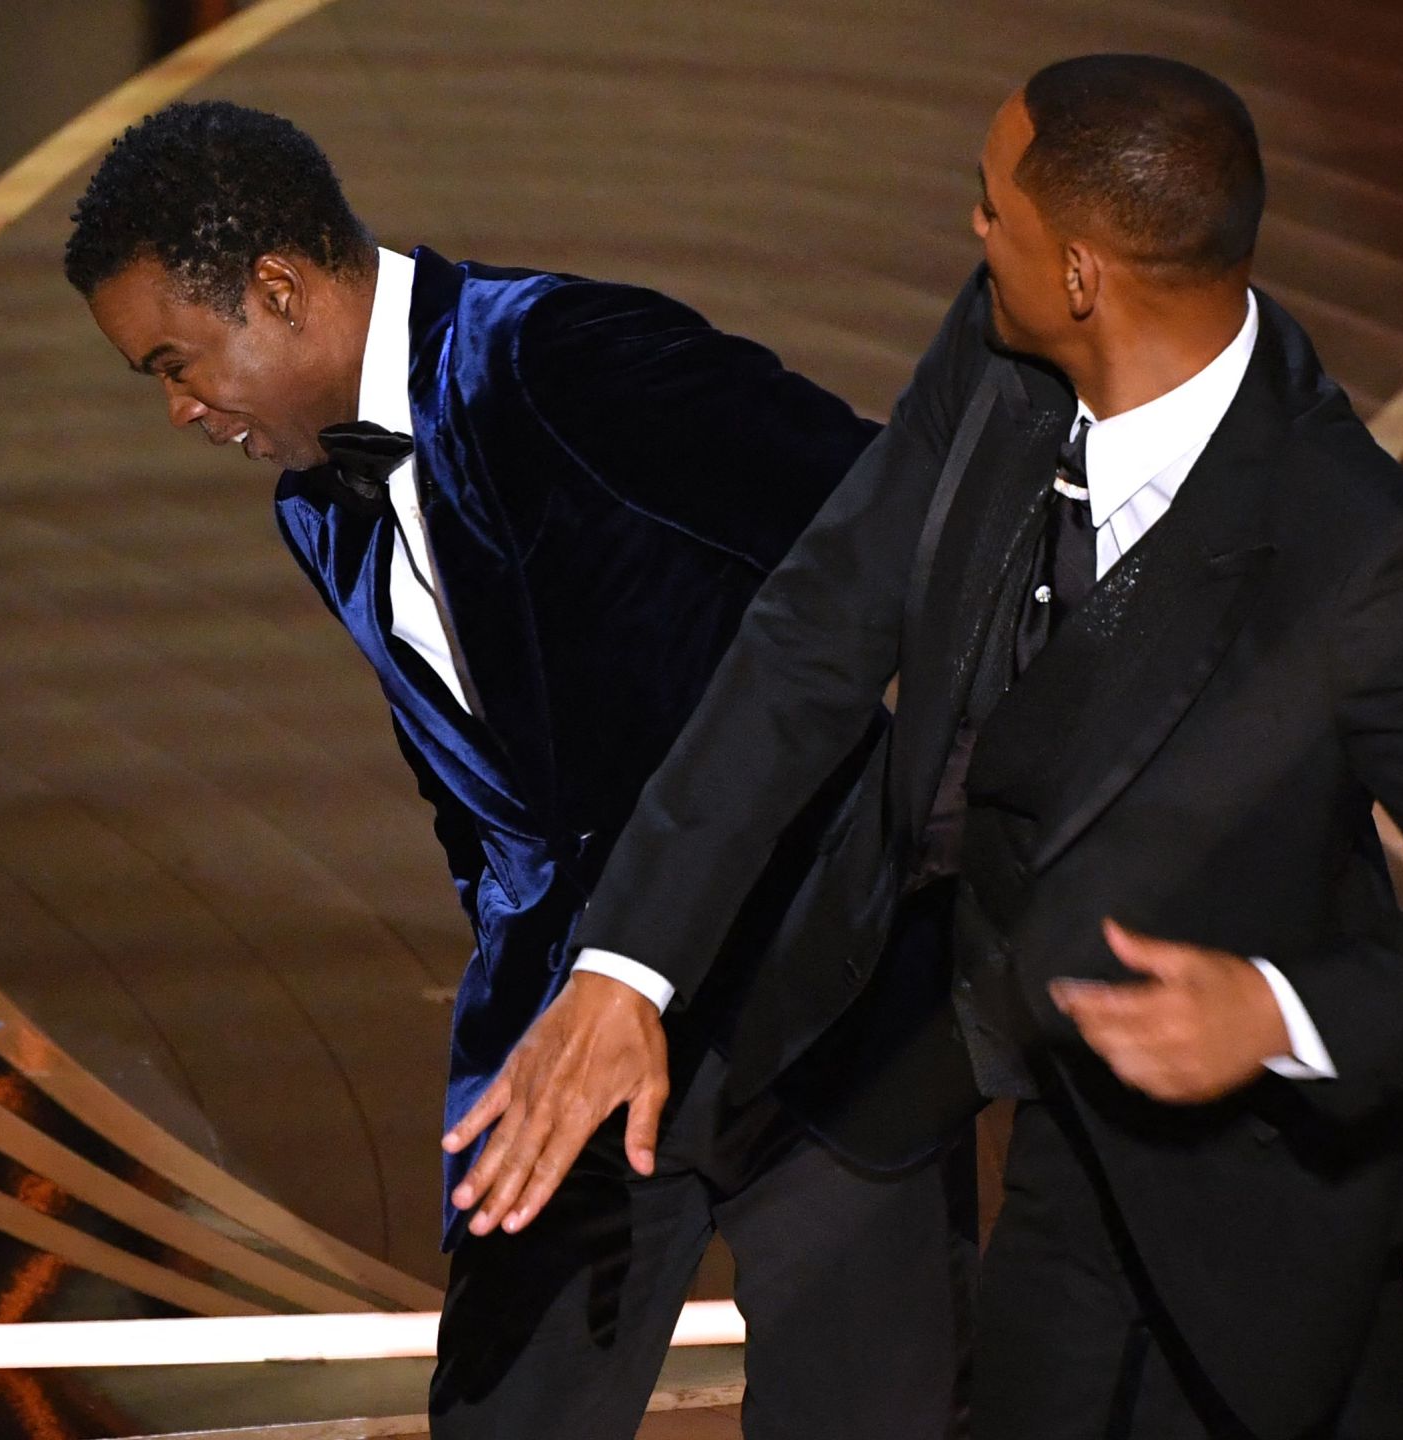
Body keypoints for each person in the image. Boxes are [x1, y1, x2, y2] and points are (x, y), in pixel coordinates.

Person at [448, 55, 1403, 1439]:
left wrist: (1281, 1015)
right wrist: (624, 967)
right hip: (1026, 1095)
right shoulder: (1006, 349)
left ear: (1082, 274)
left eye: (989, 207)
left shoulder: (1361, 562)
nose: (971, 230)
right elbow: (815, 634)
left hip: (1250, 1188)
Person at [64, 101, 970, 1440]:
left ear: (276, 290)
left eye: (176, 363)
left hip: (822, 1001)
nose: (180, 409)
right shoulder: (317, 506)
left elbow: (894, 536)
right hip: (565, 1036)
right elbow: (474, 791)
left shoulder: (566, 359)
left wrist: (945, 838)